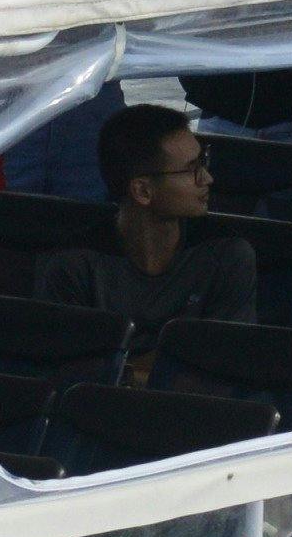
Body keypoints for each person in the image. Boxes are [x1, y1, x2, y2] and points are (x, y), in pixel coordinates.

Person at [32, 106, 262, 366]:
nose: (206, 178)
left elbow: (227, 358)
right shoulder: (75, 265)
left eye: (203, 161)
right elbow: (65, 366)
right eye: (191, 169)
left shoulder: (226, 253)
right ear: (142, 191)